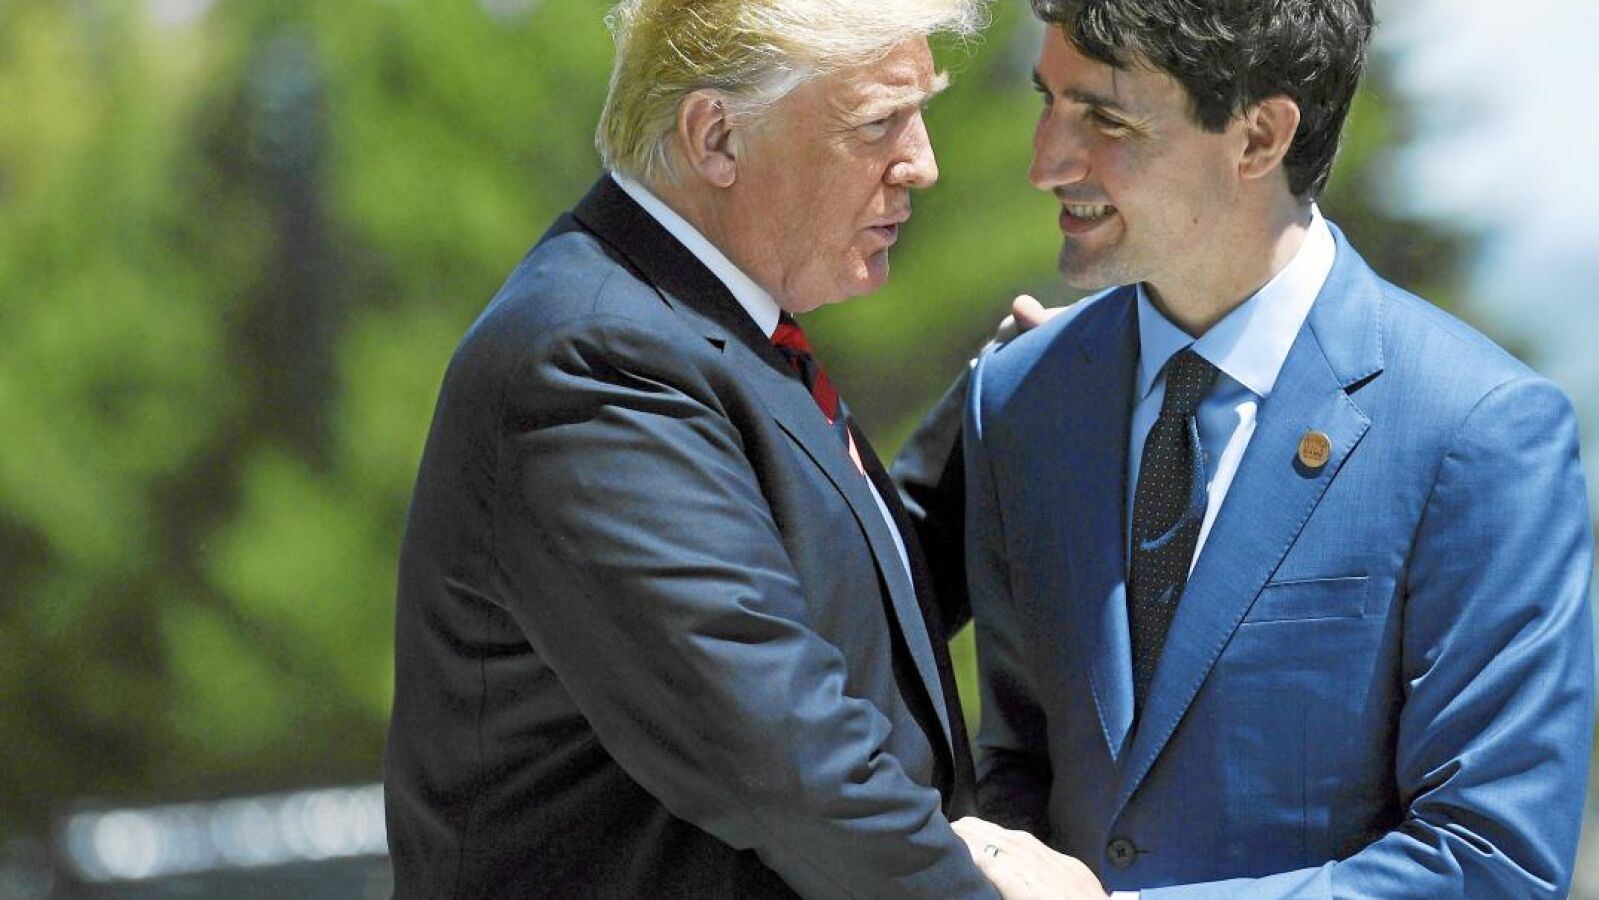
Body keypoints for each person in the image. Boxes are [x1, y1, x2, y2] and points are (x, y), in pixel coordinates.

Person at [946, 0, 1596, 896]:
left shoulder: (1478, 427)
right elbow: (1018, 769)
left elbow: (1492, 863)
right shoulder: (1017, 398)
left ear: (1258, 137)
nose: (1044, 162)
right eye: (1046, 101)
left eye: (1104, 118)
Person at [382, 0, 1017, 897]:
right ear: (716, 136)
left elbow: (839, 601)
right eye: (878, 122)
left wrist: (1015, 395)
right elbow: (783, 760)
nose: (922, 162)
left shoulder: (691, 325)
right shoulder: (594, 359)